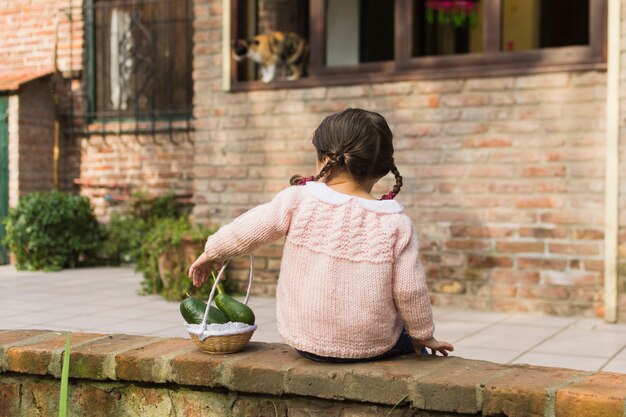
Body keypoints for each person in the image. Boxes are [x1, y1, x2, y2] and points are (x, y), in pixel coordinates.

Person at [188, 108, 454, 362]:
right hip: (371, 345)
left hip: (303, 339)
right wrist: (423, 335)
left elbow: (249, 228)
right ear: (383, 168)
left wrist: (213, 252)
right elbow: (410, 290)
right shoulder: (395, 222)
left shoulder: (299, 199)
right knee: (409, 342)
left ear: (325, 159)